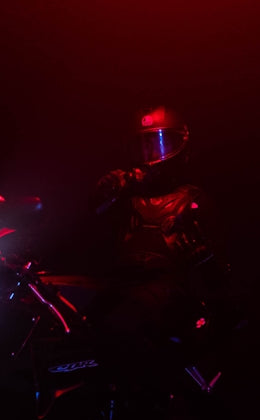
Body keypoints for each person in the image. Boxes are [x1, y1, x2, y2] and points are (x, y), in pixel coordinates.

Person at [86, 105, 233, 403]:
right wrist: (103, 194)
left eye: (159, 144)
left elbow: (223, 277)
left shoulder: (194, 201)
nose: (151, 155)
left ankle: (147, 405)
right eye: (144, 145)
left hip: (167, 291)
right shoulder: (125, 197)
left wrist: (204, 261)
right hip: (120, 286)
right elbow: (86, 233)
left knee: (123, 325)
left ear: (180, 147)